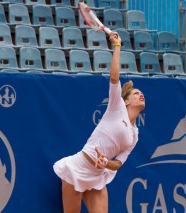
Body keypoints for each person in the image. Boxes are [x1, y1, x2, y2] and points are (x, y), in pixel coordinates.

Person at [53, 31, 145, 213]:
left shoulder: (135, 135)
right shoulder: (116, 106)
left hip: (98, 176)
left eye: (141, 94)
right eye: (136, 93)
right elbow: (114, 77)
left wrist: (105, 163)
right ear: (126, 101)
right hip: (77, 169)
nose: (141, 95)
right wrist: (117, 46)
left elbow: (118, 164)